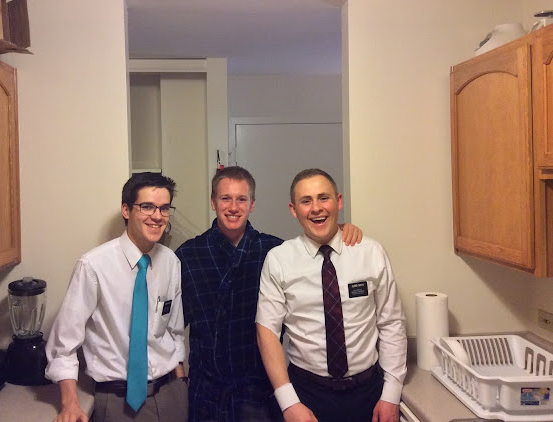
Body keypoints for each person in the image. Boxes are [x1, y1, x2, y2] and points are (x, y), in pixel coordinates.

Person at [175, 166, 362, 422]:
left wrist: (340, 229)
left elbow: (313, 246)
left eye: (242, 199)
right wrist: (180, 379)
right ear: (213, 202)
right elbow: (173, 327)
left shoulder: (274, 252)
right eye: (225, 198)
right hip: (206, 388)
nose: (233, 207)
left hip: (259, 389)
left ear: (252, 204)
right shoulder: (188, 255)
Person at [256, 168, 407, 422]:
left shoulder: (370, 253)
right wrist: (288, 402)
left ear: (338, 201)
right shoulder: (279, 260)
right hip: (306, 394)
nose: (316, 208)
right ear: (294, 210)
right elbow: (267, 332)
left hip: (368, 394)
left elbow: (391, 323)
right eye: (306, 201)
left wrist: (391, 395)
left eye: (323, 198)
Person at [45, 172, 188, 422]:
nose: (157, 216)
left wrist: (180, 382)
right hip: (117, 400)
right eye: (147, 207)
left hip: (170, 396)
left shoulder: (171, 262)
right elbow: (63, 345)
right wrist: (70, 404)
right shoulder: (93, 267)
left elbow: (174, 332)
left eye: (164, 208)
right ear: (126, 210)